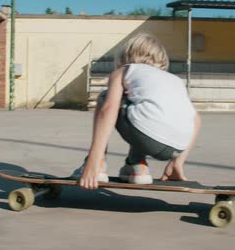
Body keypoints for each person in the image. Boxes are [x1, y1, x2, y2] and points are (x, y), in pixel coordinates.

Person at [73, 32, 201, 190]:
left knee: (106, 97)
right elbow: (196, 120)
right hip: (177, 148)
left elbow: (108, 109)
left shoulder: (125, 71)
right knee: (142, 109)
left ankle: (98, 164)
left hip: (145, 136)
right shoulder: (174, 80)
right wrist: (177, 161)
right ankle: (137, 165)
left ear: (126, 56)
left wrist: (93, 157)